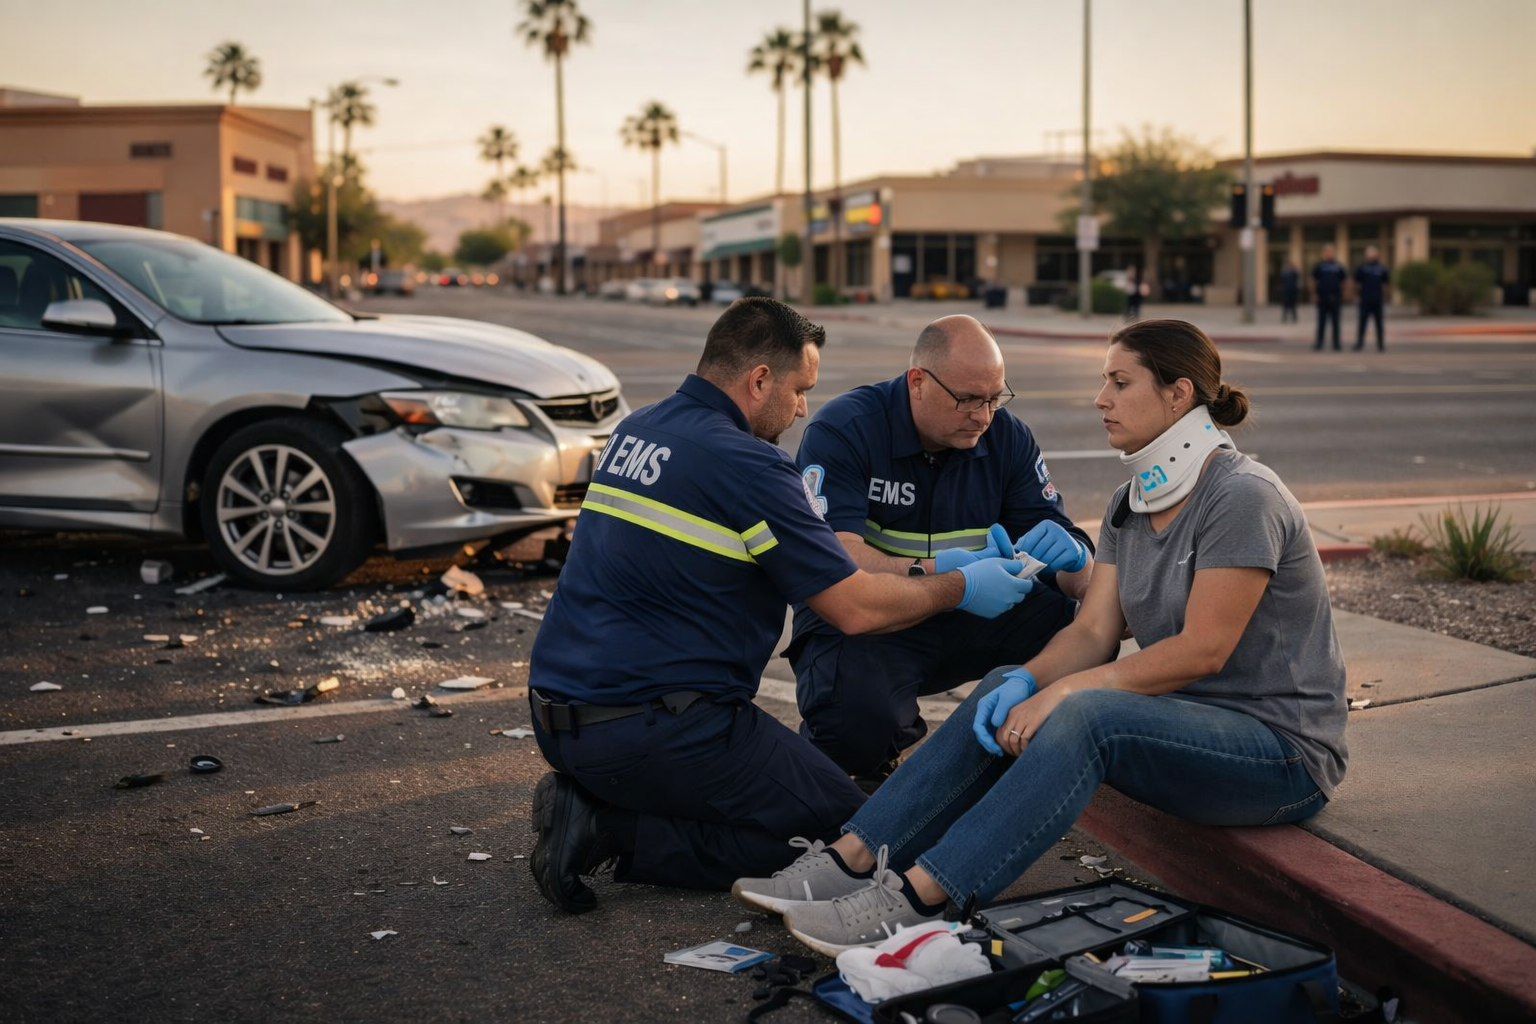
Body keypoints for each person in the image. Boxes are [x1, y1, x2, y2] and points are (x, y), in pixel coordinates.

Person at [733, 318, 1348, 955]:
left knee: (1085, 714)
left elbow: (1202, 650)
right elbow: (1094, 631)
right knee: (1011, 683)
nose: (1099, 398)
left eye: (1118, 381)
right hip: (1189, 729)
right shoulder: (1129, 501)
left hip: (1280, 753)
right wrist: (1028, 681)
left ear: (1178, 394)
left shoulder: (1241, 496)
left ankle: (916, 900)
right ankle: (853, 857)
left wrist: (1064, 690)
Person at [527, 297, 1037, 914]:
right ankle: (610, 830)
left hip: (559, 713)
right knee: (866, 841)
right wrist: (962, 585)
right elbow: (852, 607)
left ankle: (603, 809)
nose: (802, 409)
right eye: (799, 390)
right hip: (665, 727)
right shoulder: (748, 463)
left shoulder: (640, 430)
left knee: (831, 823)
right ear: (759, 379)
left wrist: (932, 567)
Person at [787, 314, 1094, 786]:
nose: (983, 415)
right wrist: (943, 573)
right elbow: (838, 560)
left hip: (974, 608)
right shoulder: (846, 429)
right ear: (917, 383)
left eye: (995, 397)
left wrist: (1076, 557)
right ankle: (865, 776)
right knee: (853, 728)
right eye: (968, 399)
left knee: (1088, 634)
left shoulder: (1007, 437)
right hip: (876, 615)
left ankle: (1030, 754)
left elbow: (1079, 581)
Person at [1354, 246, 1390, 351]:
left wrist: (1386, 297)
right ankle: (1359, 343)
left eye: (1373, 253)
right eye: (1369, 253)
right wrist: (1356, 296)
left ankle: (1380, 344)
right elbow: (1356, 283)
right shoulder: (1362, 268)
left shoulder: (1381, 268)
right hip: (1365, 300)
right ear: (1366, 255)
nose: (1371, 255)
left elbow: (1386, 283)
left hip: (1377, 300)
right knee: (1362, 323)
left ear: (1377, 254)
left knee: (1379, 323)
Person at [1312, 245, 1347, 351]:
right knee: (1321, 322)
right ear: (1324, 253)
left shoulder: (1338, 266)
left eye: (1330, 251)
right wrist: (1314, 294)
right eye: (1326, 251)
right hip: (1322, 298)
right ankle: (1319, 343)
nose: (1328, 253)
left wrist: (1343, 294)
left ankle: (1336, 344)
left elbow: (1344, 280)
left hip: (1335, 298)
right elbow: (1314, 281)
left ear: (1333, 253)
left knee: (1336, 322)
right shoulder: (1319, 266)